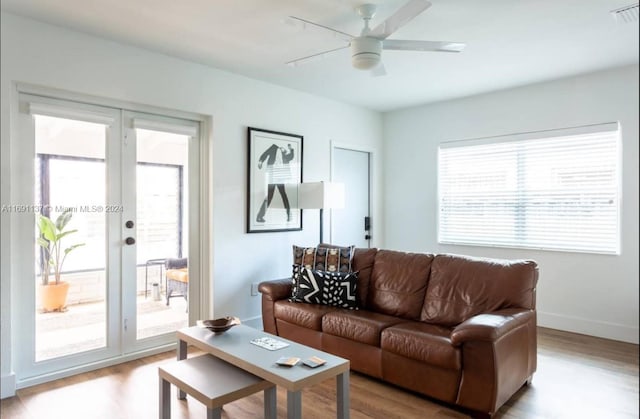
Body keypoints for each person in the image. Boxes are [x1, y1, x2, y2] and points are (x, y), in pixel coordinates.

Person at [256, 143, 294, 223]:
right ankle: (259, 216)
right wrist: (260, 161)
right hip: (272, 175)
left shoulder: (285, 155)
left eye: (285, 151)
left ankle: (289, 215)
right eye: (283, 149)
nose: (284, 150)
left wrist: (291, 149)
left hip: (280, 176)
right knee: (269, 196)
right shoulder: (274, 147)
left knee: (283, 195)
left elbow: (291, 157)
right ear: (280, 147)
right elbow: (265, 153)